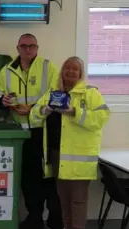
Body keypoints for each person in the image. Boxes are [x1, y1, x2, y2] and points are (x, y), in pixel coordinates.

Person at [0, 33, 63, 229]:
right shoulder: (7, 70)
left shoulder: (48, 67)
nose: (28, 49)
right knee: (27, 177)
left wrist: (32, 109)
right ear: (18, 48)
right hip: (20, 133)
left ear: (37, 48)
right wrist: (2, 100)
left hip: (44, 131)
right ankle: (35, 217)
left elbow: (55, 95)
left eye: (31, 46)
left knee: (47, 175)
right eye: (24, 46)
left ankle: (55, 218)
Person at [30, 56, 110, 229]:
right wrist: (45, 109)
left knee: (77, 203)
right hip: (57, 156)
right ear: (62, 71)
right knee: (63, 202)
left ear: (81, 73)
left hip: (80, 160)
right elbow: (34, 117)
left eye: (75, 69)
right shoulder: (53, 93)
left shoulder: (90, 93)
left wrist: (74, 112)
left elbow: (101, 118)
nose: (70, 71)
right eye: (67, 67)